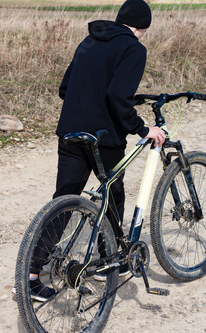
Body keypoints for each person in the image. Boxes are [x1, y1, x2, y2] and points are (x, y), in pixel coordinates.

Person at [29, 0, 166, 301]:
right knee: (113, 196)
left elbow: (65, 88)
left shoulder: (89, 40)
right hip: (104, 138)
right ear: (143, 27)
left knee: (64, 200)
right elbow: (118, 95)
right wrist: (143, 129)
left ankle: (32, 276)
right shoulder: (134, 48)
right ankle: (108, 261)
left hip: (70, 132)